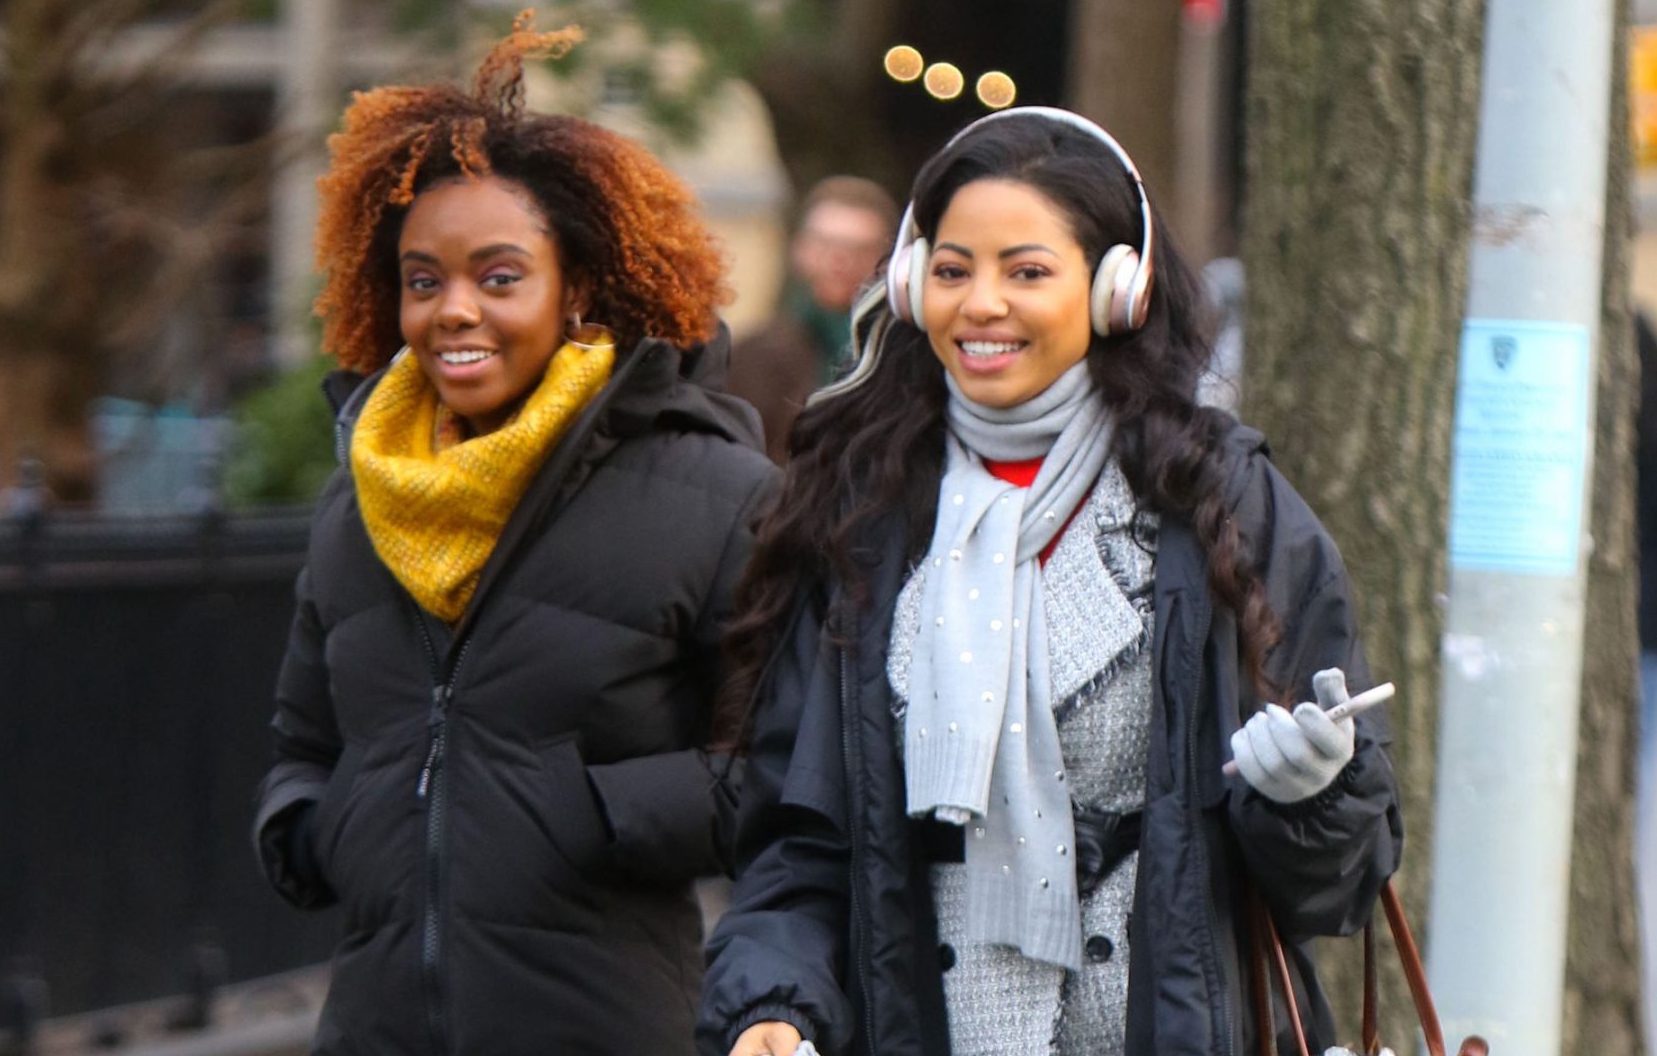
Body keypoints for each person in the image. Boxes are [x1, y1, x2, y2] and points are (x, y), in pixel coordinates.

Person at [698, 107, 1402, 1056]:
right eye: (951, 270)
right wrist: (773, 1003)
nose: (980, 304)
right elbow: (802, 837)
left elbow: (1339, 886)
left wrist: (1310, 796)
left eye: (1025, 271)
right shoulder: (863, 513)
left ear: (1116, 287)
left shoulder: (1220, 501)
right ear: (909, 285)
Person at [251, 16, 776, 1055]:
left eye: (499, 278)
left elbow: (776, 767)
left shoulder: (716, 493)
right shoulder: (363, 497)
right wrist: (321, 827)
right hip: (375, 1027)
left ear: (577, 285)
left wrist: (576, 810)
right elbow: (302, 745)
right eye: (422, 280)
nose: (455, 311)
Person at [727, 176, 898, 462]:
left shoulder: (904, 357)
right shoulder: (754, 355)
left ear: (889, 261)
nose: (839, 261)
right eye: (826, 244)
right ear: (800, 249)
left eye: (859, 249)